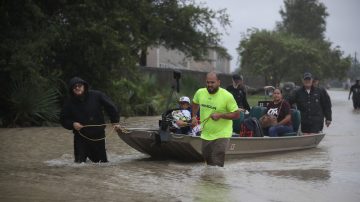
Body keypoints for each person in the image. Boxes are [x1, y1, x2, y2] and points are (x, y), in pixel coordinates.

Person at [60, 77, 120, 163]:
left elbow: (111, 107)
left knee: (102, 164)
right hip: (80, 137)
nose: (77, 88)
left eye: (79, 85)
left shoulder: (97, 95)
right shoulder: (69, 102)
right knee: (79, 165)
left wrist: (115, 122)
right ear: (71, 89)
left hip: (98, 136)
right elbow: (63, 119)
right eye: (74, 87)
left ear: (84, 86)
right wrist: (72, 124)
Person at [191, 72, 240, 167]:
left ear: (219, 82)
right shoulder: (200, 92)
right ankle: (208, 181)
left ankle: (218, 181)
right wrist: (193, 116)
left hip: (222, 134)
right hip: (206, 134)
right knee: (208, 162)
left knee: (217, 161)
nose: (209, 85)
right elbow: (194, 103)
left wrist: (220, 115)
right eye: (207, 82)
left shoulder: (227, 96)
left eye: (212, 82)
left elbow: (237, 114)